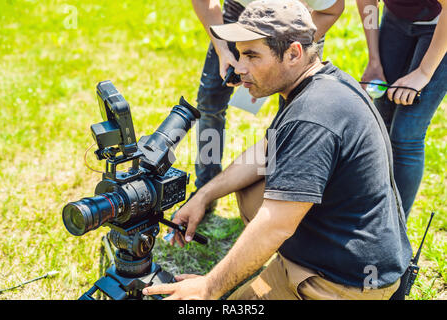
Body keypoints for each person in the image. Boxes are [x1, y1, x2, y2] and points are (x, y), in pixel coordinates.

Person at [143, 0, 412, 300]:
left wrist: (208, 287)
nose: (239, 67)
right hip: (334, 250)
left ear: (294, 53)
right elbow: (265, 152)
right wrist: (204, 195)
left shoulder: (313, 116)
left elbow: (275, 225)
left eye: (251, 55)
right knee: (252, 187)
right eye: (239, 53)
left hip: (342, 282)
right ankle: (279, 267)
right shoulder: (317, 83)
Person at [191, 0, 346, 213]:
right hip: (239, 14)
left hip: (293, 27)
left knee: (292, 116)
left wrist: (277, 63)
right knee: (209, 102)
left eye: (251, 57)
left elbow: (332, 9)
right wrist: (223, 50)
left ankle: (283, 194)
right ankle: (206, 185)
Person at [356, 0, 447, 218]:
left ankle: (397, 232)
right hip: (397, 19)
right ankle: (374, 219)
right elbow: (368, 3)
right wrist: (374, 59)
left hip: (440, 25)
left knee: (406, 135)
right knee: (382, 122)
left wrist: (424, 73)